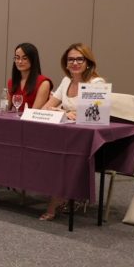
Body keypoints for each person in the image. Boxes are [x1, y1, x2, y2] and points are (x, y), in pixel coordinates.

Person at [0, 43, 53, 205]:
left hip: (32, 130)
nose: (19, 61)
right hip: (14, 127)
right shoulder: (12, 82)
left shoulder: (43, 82)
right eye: (17, 58)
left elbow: (34, 113)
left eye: (24, 58)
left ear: (33, 60)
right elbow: (7, 109)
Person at [40, 43, 107, 222]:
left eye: (79, 59)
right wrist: (63, 112)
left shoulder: (96, 83)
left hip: (88, 140)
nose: (75, 63)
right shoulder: (66, 81)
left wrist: (63, 111)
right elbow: (46, 108)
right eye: (71, 60)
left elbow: (93, 116)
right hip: (65, 135)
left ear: (88, 62)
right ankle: (64, 194)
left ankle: (57, 200)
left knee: (59, 155)